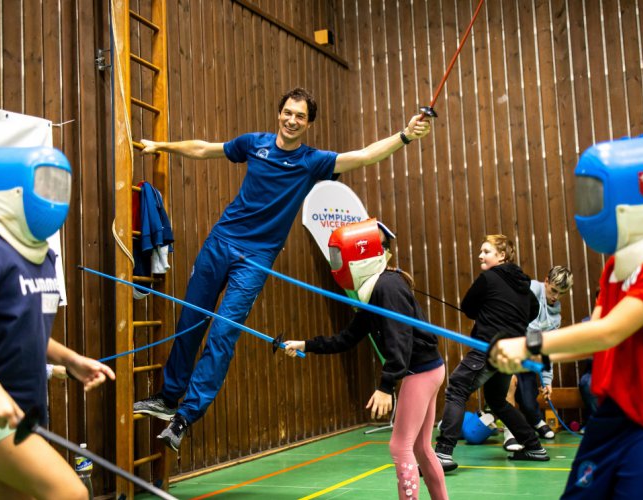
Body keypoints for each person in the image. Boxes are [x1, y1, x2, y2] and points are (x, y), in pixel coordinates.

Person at [133, 87, 432, 451]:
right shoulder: (253, 144)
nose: (292, 120)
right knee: (191, 322)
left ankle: (186, 416)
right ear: (279, 114)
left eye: (300, 117)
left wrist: (404, 136)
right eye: (288, 113)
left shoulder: (313, 162)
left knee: (223, 335)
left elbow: (366, 156)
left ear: (308, 124)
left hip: (256, 258)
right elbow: (206, 148)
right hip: (219, 242)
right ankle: (168, 399)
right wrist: (162, 147)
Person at [489, 133, 643, 498]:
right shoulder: (618, 266)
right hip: (610, 418)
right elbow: (594, 340)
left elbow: (610, 332)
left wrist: (529, 345)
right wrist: (531, 358)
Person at [0, 147, 116, 499]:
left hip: (15, 410)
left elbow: (25, 328)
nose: (52, 198)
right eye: (44, 185)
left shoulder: (45, 257)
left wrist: (70, 361)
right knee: (71, 494)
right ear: (10, 194)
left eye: (58, 187)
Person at [283, 219, 448, 500]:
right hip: (429, 369)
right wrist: (306, 345)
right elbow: (348, 337)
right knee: (420, 447)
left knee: (400, 447)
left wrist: (386, 386)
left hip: (419, 371)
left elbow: (400, 339)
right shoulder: (375, 290)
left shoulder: (387, 287)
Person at [434, 234, 545, 473]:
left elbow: (467, 307)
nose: (480, 255)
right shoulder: (524, 284)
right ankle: (534, 446)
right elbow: (533, 311)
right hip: (509, 354)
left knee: (457, 389)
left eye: (486, 251)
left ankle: (442, 453)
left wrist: (489, 312)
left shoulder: (489, 277)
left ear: (502, 255)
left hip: (486, 348)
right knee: (497, 401)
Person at [503, 266, 573, 450]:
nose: (556, 297)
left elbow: (547, 349)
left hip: (527, 355)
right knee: (509, 386)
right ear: (546, 281)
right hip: (508, 345)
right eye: (554, 290)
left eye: (561, 293)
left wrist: (547, 381)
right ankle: (509, 433)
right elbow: (532, 328)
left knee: (528, 398)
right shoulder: (532, 288)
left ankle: (535, 420)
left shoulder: (555, 318)